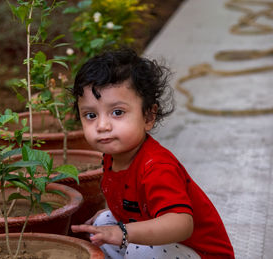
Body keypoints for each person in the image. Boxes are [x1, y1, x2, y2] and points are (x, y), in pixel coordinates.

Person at [70, 48, 235, 259]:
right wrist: (115, 222)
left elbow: (181, 223)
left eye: (117, 112)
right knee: (103, 224)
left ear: (148, 116)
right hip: (174, 249)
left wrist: (123, 232)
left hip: (203, 254)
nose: (102, 125)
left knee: (139, 247)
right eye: (90, 115)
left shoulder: (156, 166)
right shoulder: (113, 157)